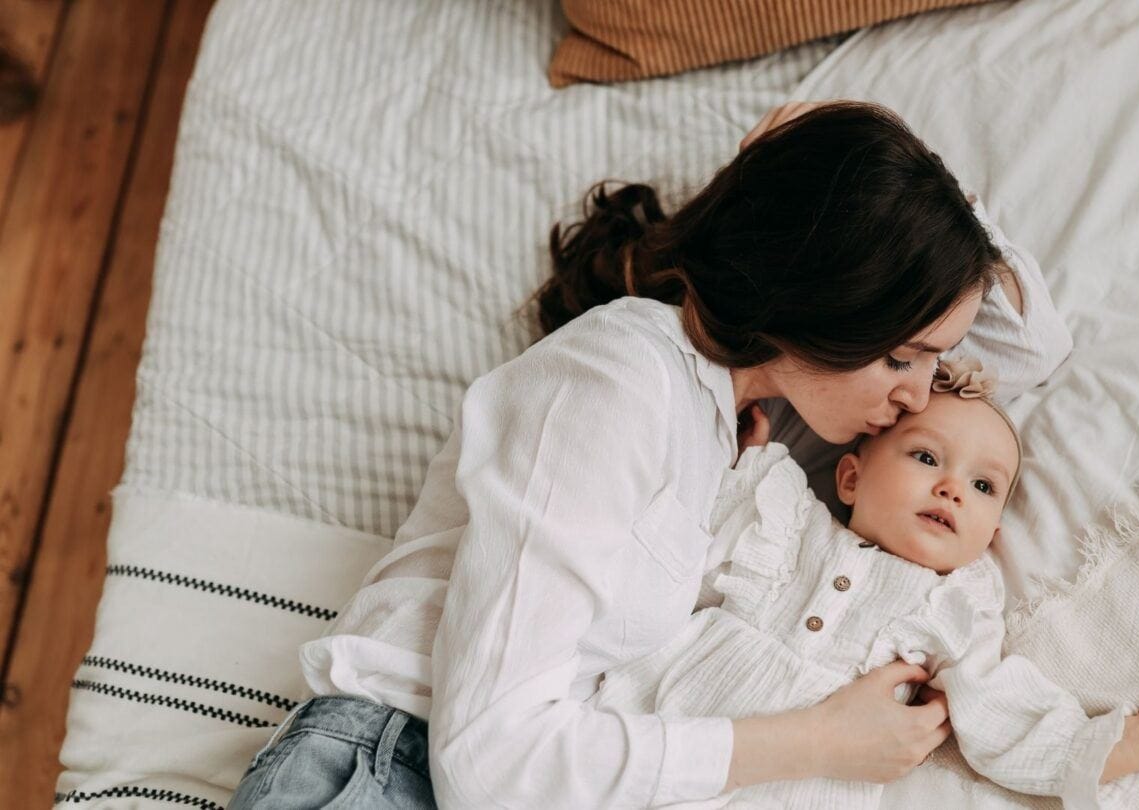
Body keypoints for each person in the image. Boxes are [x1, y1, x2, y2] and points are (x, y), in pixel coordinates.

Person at [229, 100, 1075, 809]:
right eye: (901, 358)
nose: (920, 398)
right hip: (389, 772)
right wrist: (815, 742)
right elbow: (489, 762)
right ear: (824, 299)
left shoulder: (761, 419)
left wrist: (896, 173)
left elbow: (1029, 344)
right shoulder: (614, 385)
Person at [591, 359, 1139, 809]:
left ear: (993, 530)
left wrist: (1133, 742)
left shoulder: (955, 607)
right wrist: (734, 455)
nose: (951, 488)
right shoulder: (784, 512)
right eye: (925, 457)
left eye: (983, 486)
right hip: (662, 717)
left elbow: (1009, 718)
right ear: (851, 479)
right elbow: (685, 530)